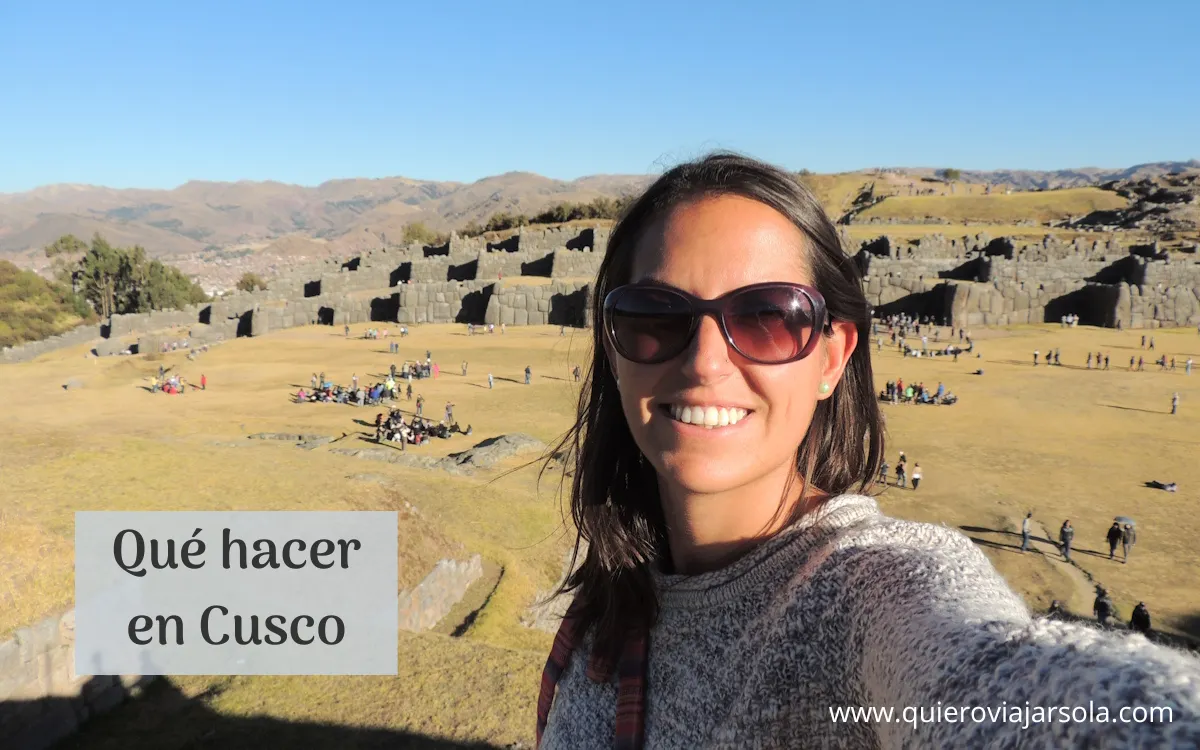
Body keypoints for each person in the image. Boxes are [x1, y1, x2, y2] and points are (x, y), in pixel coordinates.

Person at [535, 154, 1200, 749]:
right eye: (656, 316)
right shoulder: (607, 607)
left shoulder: (874, 591)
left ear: (832, 356)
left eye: (767, 316)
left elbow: (987, 674)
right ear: (614, 348)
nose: (706, 362)